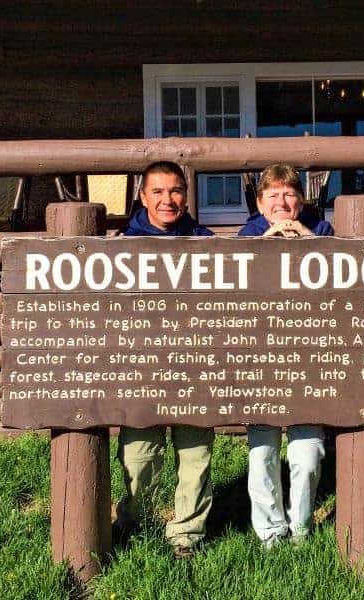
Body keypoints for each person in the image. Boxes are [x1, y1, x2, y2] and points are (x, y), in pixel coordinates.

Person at [116, 161, 214, 559]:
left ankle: (187, 534)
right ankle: (135, 523)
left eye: (175, 191)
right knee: (139, 455)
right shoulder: (122, 245)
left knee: (195, 454)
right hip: (142, 369)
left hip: (194, 369)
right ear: (143, 197)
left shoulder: (206, 242)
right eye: (157, 191)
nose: (167, 199)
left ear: (186, 196)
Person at [238, 163, 333, 548]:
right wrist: (267, 243)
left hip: (309, 361)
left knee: (307, 454)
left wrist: (306, 240)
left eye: (289, 194)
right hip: (261, 360)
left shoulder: (322, 230)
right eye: (273, 195)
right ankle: (270, 534)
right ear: (261, 203)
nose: (282, 202)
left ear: (301, 201)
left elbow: (340, 282)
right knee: (262, 453)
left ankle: (302, 530)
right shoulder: (248, 234)